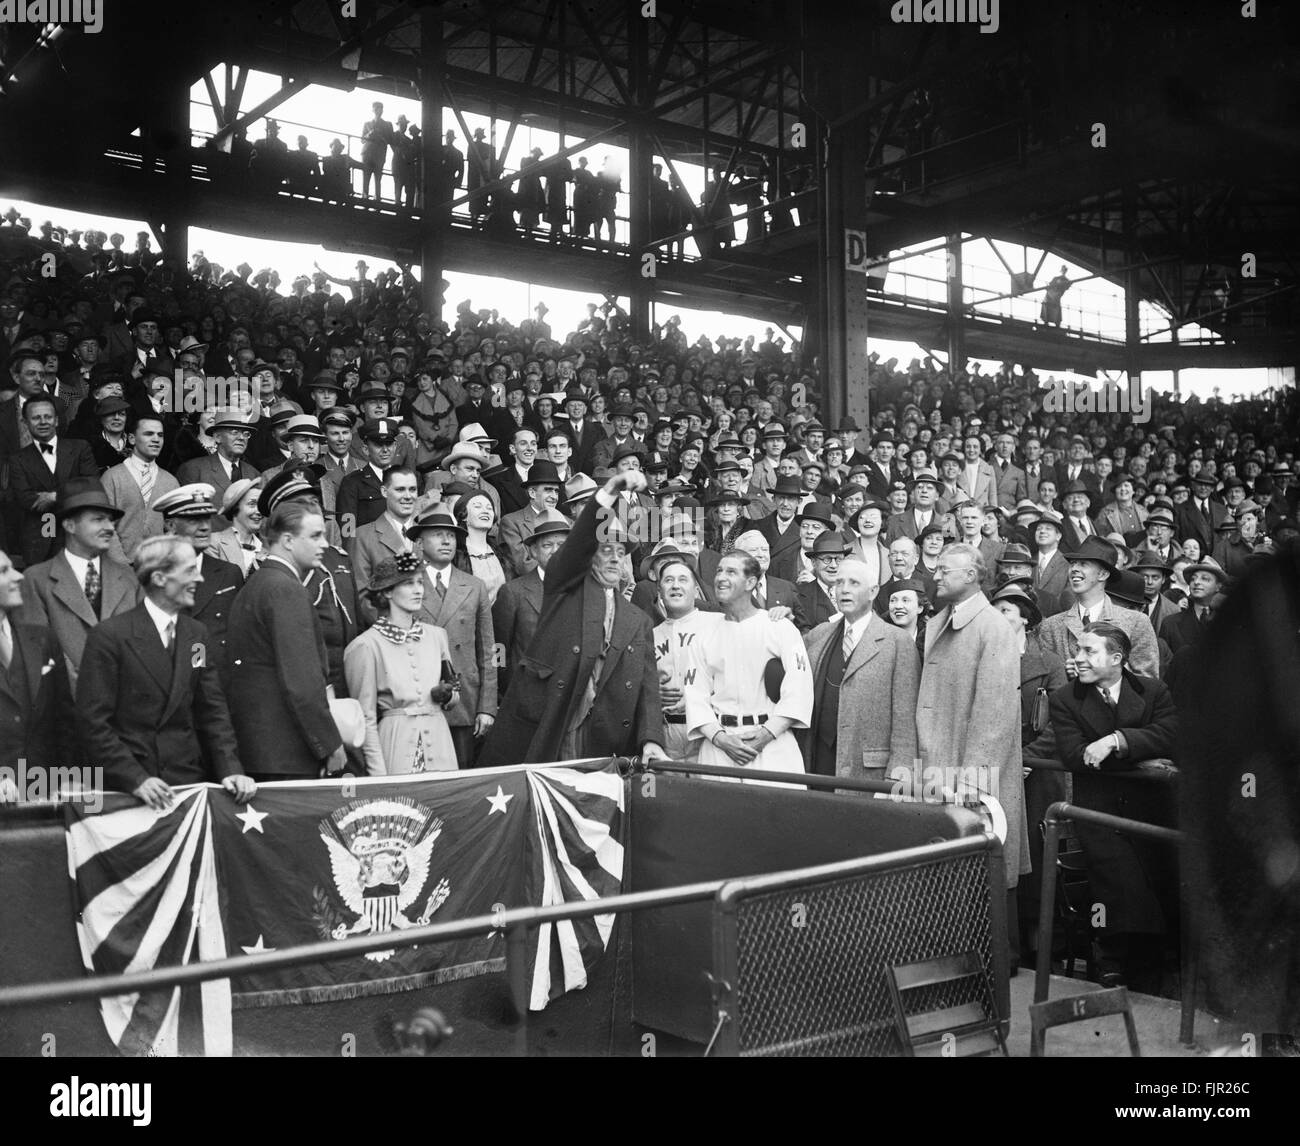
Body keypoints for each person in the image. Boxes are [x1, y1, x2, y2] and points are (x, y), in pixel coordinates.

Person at [479, 469, 667, 766]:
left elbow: (647, 686)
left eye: (621, 551)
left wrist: (652, 739)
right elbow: (498, 650)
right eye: (606, 550)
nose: (615, 557)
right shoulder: (563, 587)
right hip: (555, 722)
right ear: (588, 557)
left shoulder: (638, 620)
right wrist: (610, 490)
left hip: (606, 738)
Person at [77, 535, 255, 809]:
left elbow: (212, 709)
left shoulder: (196, 636)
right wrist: (135, 779)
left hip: (187, 783)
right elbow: (94, 722)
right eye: (189, 572)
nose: (200, 580)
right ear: (160, 578)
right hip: (131, 791)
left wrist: (231, 769)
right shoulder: (110, 637)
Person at [915, 542, 1029, 966]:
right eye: (937, 568)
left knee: (986, 863)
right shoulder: (941, 620)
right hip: (940, 764)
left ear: (971, 576)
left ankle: (998, 962)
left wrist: (972, 783)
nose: (937, 575)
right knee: (956, 866)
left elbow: (996, 714)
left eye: (945, 569)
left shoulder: (992, 627)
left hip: (972, 775)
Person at [1050, 622, 1178, 988]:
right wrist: (1139, 756)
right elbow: (1076, 755)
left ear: (1117, 659)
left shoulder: (1153, 691)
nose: (1078, 659)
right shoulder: (1065, 699)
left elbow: (1171, 734)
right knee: (1117, 888)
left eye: (1089, 652)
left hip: (1151, 811)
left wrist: (1116, 741)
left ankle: (1148, 969)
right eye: (1078, 651)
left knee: (1156, 888)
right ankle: (1113, 963)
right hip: (1100, 814)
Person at [226, 499, 346, 781]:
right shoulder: (285, 590)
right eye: (315, 536)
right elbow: (302, 682)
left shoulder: (259, 582)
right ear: (288, 540)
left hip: (264, 752)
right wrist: (329, 743)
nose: (325, 545)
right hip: (287, 755)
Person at [683, 549, 812, 777]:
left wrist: (765, 736)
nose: (721, 577)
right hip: (720, 747)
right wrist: (720, 738)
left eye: (731, 572)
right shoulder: (704, 634)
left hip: (772, 744)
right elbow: (695, 695)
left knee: (778, 812)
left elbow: (799, 689)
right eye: (719, 571)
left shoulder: (779, 627)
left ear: (751, 581)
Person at [801, 558, 920, 781]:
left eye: (854, 583)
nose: (844, 590)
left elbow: (905, 720)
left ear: (873, 591)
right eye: (839, 583)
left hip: (869, 772)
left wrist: (897, 778)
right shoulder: (819, 635)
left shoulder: (897, 642)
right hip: (818, 764)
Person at [17, 477, 140, 686]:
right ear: (70, 525)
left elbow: (141, 646)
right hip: (64, 706)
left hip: (124, 706)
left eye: (111, 520)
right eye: (98, 519)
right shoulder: (36, 580)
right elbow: (35, 651)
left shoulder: (129, 578)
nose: (109, 527)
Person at [344, 553, 459, 775]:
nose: (418, 590)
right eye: (408, 584)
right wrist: (379, 775)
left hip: (441, 743)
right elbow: (366, 720)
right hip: (396, 746)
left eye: (420, 583)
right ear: (387, 592)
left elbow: (454, 696)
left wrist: (447, 695)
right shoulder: (365, 646)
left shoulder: (437, 636)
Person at [407, 504, 498, 767]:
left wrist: (487, 706)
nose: (446, 540)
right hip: (418, 696)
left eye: (450, 535)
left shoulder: (474, 586)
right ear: (420, 541)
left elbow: (488, 650)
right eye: (437, 534)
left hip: (464, 700)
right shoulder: (407, 584)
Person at [153, 483, 245, 690]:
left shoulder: (229, 573)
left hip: (219, 689)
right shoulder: (151, 575)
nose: (204, 527)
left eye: (206, 519)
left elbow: (238, 637)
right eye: (194, 520)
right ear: (170, 526)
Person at [0, 548, 74, 799]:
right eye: (3, 571)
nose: (19, 577)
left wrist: (68, 779)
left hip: (45, 796)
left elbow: (64, 720)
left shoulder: (42, 639)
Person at [1037, 535, 1161, 678]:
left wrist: (1105, 671)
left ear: (1103, 574)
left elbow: (1147, 684)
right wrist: (1063, 674)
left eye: (1083, 564)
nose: (1074, 569)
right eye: (1073, 563)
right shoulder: (1051, 627)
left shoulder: (1137, 622)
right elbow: (1044, 685)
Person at [8, 393, 99, 568]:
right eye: (36, 418)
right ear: (25, 422)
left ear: (56, 420)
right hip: (38, 544)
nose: (43, 422)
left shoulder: (80, 448)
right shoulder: (17, 459)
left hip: (79, 537)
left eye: (48, 417)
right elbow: (25, 499)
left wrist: (54, 497)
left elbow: (92, 486)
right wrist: (72, 496)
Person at [652, 555, 724, 762]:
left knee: (707, 792)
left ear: (696, 590)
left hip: (709, 734)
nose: (675, 586)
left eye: (683, 580)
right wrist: (652, 694)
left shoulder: (718, 624)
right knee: (661, 792)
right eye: (668, 580)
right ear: (660, 592)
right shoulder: (650, 635)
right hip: (666, 736)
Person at [492, 511, 569, 695]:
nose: (555, 551)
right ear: (533, 551)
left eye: (561, 545)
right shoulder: (513, 592)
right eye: (547, 545)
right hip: (526, 698)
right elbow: (498, 648)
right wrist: (509, 687)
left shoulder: (582, 589)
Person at [795, 530, 849, 632]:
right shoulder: (799, 597)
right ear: (814, 562)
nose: (833, 565)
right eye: (827, 559)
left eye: (838, 559)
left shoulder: (857, 592)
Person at [210, 478, 264, 574]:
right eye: (252, 504)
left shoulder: (267, 547)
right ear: (235, 509)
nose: (259, 511)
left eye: (260, 505)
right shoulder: (214, 543)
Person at [360, 102, 393, 202]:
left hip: (379, 154)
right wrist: (369, 134)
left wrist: (381, 137)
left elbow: (391, 140)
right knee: (366, 177)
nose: (379, 110)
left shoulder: (387, 124)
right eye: (377, 108)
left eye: (380, 108)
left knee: (378, 178)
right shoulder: (367, 124)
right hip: (367, 153)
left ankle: (377, 200)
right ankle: (364, 198)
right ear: (373, 110)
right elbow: (362, 139)